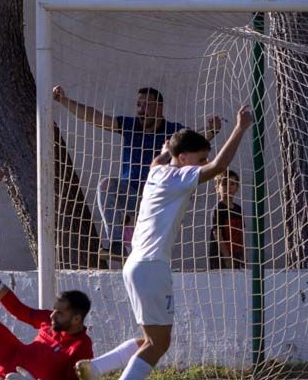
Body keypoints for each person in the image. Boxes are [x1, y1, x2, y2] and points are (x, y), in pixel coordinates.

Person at [86, 106, 253, 380]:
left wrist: (165, 150)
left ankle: (95, 368)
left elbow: (158, 159)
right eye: (198, 158)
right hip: (151, 266)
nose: (202, 163)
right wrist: (240, 129)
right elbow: (218, 167)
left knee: (152, 338)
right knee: (159, 344)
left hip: (135, 264)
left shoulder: (158, 171)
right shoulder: (178, 176)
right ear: (186, 159)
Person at [52, 85, 220, 255]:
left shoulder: (173, 132)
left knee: (146, 245)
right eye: (139, 105)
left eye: (147, 105)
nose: (141, 110)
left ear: (159, 108)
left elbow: (196, 143)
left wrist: (212, 130)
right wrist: (64, 101)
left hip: (158, 198)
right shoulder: (130, 126)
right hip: (132, 196)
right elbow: (96, 117)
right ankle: (116, 245)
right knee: (106, 185)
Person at [208, 170, 245, 270]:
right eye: (224, 184)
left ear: (237, 187)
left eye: (232, 184)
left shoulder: (239, 209)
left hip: (237, 255)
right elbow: (217, 235)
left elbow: (240, 234)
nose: (229, 187)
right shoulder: (218, 209)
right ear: (217, 188)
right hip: (221, 257)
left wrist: (242, 256)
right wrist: (227, 258)